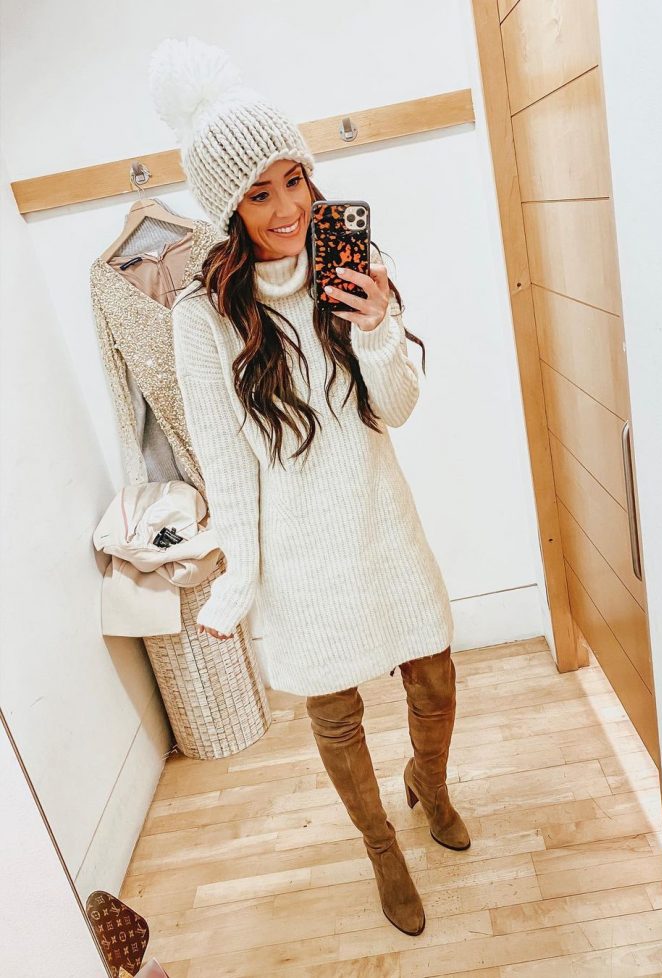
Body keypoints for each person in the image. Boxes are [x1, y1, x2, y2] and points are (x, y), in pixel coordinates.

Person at [149, 36, 469, 936]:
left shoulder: (352, 267)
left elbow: (396, 407)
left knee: (434, 679)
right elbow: (225, 460)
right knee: (336, 715)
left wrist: (378, 325)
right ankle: (381, 848)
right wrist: (239, 581)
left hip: (382, 522)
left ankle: (430, 784)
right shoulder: (204, 316)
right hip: (298, 555)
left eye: (294, 179)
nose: (288, 206)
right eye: (260, 193)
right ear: (230, 206)